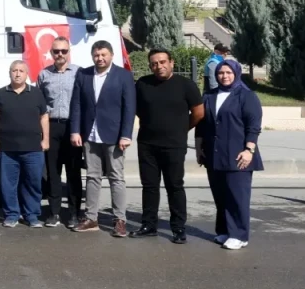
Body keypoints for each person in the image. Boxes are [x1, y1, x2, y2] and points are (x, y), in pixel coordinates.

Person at [132, 48, 204, 243]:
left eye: (163, 62)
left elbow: (198, 113)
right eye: (154, 63)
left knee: (174, 186)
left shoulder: (186, 85)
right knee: (149, 186)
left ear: (171, 63)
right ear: (150, 66)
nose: (159, 66)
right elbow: (138, 110)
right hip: (147, 144)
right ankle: (148, 225)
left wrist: (181, 129)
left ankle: (178, 228)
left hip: (174, 145)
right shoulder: (143, 84)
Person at [69, 40, 136, 237]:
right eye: (96, 55)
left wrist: (126, 134)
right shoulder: (83, 74)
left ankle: (119, 220)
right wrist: (75, 131)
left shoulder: (123, 75)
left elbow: (129, 107)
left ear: (111, 55)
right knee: (92, 177)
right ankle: (91, 218)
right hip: (89, 135)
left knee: (116, 177)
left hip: (114, 136)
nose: (100, 58)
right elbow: (76, 104)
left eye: (103, 55)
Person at [196, 60, 263, 250]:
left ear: (236, 73)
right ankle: (224, 231)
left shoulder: (246, 96)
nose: (224, 76)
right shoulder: (209, 95)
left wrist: (249, 150)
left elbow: (253, 126)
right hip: (214, 154)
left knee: (237, 197)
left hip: (238, 154)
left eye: (228, 72)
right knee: (220, 196)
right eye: (220, 73)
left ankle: (239, 235)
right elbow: (202, 124)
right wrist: (199, 147)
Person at [0, 60, 50, 228]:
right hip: (7, 149)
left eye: (21, 71)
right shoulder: (0, 94)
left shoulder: (37, 93)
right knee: (8, 185)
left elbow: (44, 117)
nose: (17, 74)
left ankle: (32, 215)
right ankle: (11, 215)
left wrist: (45, 139)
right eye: (14, 70)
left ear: (27, 74)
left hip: (33, 148)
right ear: (10, 73)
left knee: (33, 183)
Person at [37, 36, 82, 227]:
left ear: (69, 51)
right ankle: (54, 212)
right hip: (51, 125)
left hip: (73, 127)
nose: (60, 54)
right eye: (56, 51)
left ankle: (74, 213)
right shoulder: (44, 74)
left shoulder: (79, 73)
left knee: (73, 172)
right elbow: (40, 105)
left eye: (64, 51)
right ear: (51, 53)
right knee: (53, 172)